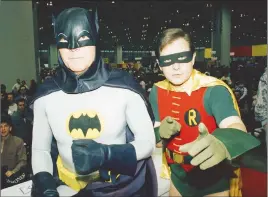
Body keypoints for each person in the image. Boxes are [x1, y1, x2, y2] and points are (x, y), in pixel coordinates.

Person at [30, 7, 157, 197]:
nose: (74, 49)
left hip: (117, 187)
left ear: (96, 39)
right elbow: (40, 150)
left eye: (83, 40)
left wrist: (107, 154)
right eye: (65, 42)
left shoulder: (124, 88)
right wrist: (47, 185)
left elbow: (147, 142)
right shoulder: (46, 95)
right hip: (65, 187)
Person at [149, 28, 260, 197]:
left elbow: (234, 124)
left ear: (193, 58)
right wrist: (159, 132)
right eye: (167, 60)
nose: (176, 66)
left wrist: (223, 142)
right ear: (159, 63)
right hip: (177, 177)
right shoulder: (157, 91)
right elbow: (157, 143)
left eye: (182, 57)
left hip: (213, 180)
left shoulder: (213, 89)